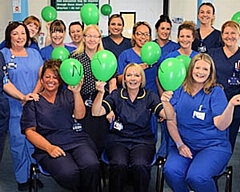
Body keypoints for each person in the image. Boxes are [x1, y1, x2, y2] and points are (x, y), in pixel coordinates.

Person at [163, 53, 240, 192]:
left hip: (213, 146)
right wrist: (180, 145)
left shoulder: (216, 92)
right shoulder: (179, 90)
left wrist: (231, 105)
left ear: (211, 72)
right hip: (185, 143)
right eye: (197, 67)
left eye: (205, 69)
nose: (201, 72)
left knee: (197, 177)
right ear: (191, 69)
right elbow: (171, 121)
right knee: (171, 171)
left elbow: (221, 125)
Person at [92, 63, 174, 192]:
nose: (133, 78)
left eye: (136, 75)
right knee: (119, 164)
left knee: (140, 165)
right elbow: (96, 112)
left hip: (142, 141)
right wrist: (100, 93)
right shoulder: (117, 94)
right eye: (129, 75)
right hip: (118, 140)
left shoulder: (149, 95)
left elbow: (168, 116)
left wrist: (165, 102)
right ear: (124, 79)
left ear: (142, 79)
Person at [20, 60, 100, 192]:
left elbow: (80, 116)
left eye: (55, 77)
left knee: (91, 165)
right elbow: (30, 132)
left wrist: (76, 93)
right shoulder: (33, 102)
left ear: (61, 80)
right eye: (47, 76)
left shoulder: (67, 94)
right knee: (68, 173)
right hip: (49, 144)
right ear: (41, 79)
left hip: (76, 140)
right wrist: (49, 148)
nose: (51, 80)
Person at [0, 21, 43, 191]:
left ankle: (34, 174)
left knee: (34, 142)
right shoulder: (3, 54)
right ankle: (22, 179)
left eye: (23, 33)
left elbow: (42, 77)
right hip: (14, 106)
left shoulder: (34, 54)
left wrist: (31, 95)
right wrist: (22, 96)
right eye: (16, 33)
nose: (20, 37)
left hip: (34, 105)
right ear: (9, 36)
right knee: (18, 145)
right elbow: (4, 81)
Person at [70, 24, 117, 155]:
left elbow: (113, 84)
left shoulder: (106, 57)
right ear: (83, 38)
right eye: (89, 36)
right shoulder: (74, 57)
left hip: (102, 99)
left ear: (99, 38)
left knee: (102, 136)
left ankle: (102, 170)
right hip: (81, 99)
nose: (92, 39)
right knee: (84, 137)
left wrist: (112, 107)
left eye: (95, 36)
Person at [208, 20, 240, 152]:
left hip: (236, 103)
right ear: (221, 35)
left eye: (233, 33)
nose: (229, 36)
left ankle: (224, 164)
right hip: (215, 101)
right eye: (226, 33)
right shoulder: (212, 53)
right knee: (213, 137)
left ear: (238, 35)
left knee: (230, 138)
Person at [153, 15, 180, 159]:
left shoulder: (175, 48)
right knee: (151, 125)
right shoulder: (150, 46)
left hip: (171, 92)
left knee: (169, 122)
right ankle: (151, 153)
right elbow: (157, 75)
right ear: (157, 29)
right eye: (162, 28)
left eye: (168, 29)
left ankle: (165, 153)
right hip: (153, 88)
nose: (165, 31)